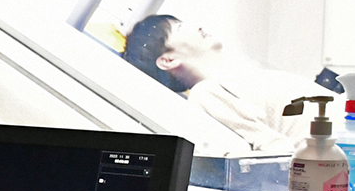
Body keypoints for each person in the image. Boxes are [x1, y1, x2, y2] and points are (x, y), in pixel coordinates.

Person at [123, 14, 325, 153]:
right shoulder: (206, 94)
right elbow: (279, 151)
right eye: (181, 27)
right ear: (168, 60)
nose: (199, 27)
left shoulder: (237, 79)